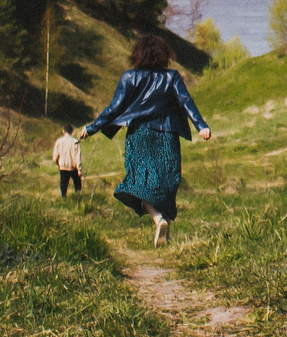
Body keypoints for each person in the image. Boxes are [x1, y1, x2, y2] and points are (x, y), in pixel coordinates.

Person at [82, 34, 211, 244]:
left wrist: (92, 128)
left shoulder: (129, 77)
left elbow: (114, 108)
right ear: (164, 55)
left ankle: (158, 219)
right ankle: (165, 229)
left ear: (138, 55)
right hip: (167, 135)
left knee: (139, 181)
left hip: (139, 135)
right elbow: (186, 101)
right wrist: (201, 126)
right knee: (168, 182)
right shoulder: (172, 77)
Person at [50, 125, 84, 198]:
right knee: (77, 185)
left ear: (63, 131)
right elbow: (78, 157)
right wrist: (79, 169)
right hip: (73, 167)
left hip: (63, 167)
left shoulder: (58, 141)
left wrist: (58, 163)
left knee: (63, 185)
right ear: (72, 132)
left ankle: (63, 198)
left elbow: (55, 156)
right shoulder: (75, 142)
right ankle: (78, 198)